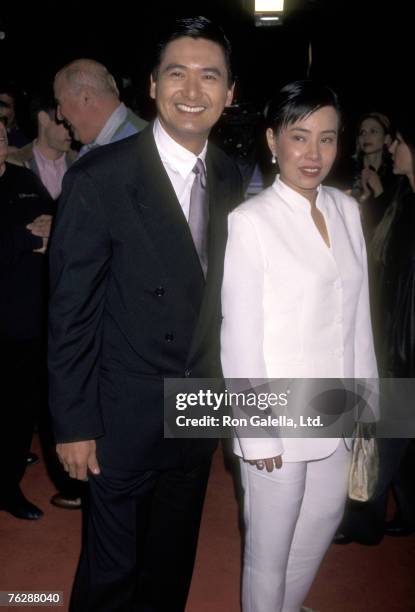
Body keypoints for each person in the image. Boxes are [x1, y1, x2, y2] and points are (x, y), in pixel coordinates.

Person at [48, 16, 241, 612]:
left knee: (171, 564)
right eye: (176, 73)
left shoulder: (232, 174)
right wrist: (75, 424)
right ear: (152, 87)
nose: (192, 89)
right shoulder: (101, 177)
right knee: (112, 576)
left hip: (196, 411)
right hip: (122, 415)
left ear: (229, 94)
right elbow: (71, 314)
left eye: (209, 76)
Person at [221, 80, 378, 612]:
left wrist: (368, 404)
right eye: (300, 137)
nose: (314, 154)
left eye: (327, 139)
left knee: (323, 522)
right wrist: (258, 435)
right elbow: (238, 340)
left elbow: (358, 318)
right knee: (268, 551)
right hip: (278, 420)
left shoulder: (346, 210)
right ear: (273, 140)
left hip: (337, 410)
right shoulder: (251, 222)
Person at [0, 116, 53, 520]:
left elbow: (52, 220)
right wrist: (25, 238)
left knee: (20, 413)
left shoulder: (23, 180)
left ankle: (8, 487)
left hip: (29, 323)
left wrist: (50, 229)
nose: (1, 139)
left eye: (2, 132)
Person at [54, 58, 147, 156]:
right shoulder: (93, 149)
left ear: (85, 98)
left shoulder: (146, 146)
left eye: (60, 103)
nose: (59, 116)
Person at [7, 88, 75, 200]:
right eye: (65, 120)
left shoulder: (82, 160)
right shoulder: (12, 163)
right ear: (43, 118)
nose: (71, 126)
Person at [350, 111, 396, 240]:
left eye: (373, 131)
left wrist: (378, 190)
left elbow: (391, 222)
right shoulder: (348, 172)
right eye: (362, 132)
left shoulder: (395, 176)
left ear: (387, 139)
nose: (366, 137)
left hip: (377, 246)